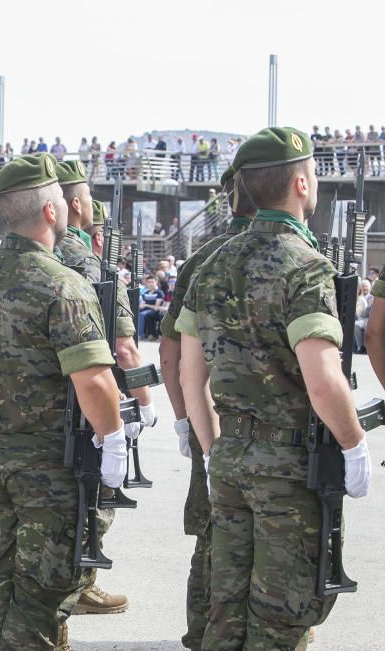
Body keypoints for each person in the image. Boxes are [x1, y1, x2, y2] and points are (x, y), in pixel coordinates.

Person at [177, 127, 372, 649]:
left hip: (232, 457)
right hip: (289, 466)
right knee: (281, 616)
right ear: (301, 184)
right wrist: (355, 446)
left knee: (227, 608)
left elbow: (189, 375)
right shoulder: (305, 267)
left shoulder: (212, 264)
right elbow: (324, 380)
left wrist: (215, 443)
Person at [0, 154, 127, 649]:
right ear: (52, 211)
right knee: (45, 587)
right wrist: (113, 443)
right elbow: (93, 380)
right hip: (52, 460)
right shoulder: (63, 284)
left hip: (0, 453)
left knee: (1, 576)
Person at [157, 164, 255, 649]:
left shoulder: (201, 260)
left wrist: (182, 417)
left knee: (212, 529)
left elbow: (170, 352)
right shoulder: (301, 253)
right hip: (276, 428)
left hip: (209, 416)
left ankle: (202, 630)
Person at [53, 158, 153, 615]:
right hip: (88, 401)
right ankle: (81, 583)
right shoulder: (84, 262)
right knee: (90, 494)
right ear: (76, 203)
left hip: (39, 404)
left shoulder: (36, 254)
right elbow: (123, 345)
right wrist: (142, 401)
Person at [138, 275, 166, 339]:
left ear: (156, 282)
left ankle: (140, 335)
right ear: (146, 283)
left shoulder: (159, 293)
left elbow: (156, 307)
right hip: (147, 311)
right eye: (149, 282)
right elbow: (142, 305)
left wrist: (146, 305)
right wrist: (143, 305)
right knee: (138, 312)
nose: (151, 284)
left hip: (157, 312)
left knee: (142, 314)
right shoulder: (145, 293)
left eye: (152, 282)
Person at [354, 279, 373, 353]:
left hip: (373, 319)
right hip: (366, 318)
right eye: (363, 286)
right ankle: (361, 346)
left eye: (366, 286)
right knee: (356, 324)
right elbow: (364, 313)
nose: (364, 288)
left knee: (367, 325)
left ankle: (367, 347)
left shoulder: (371, 297)